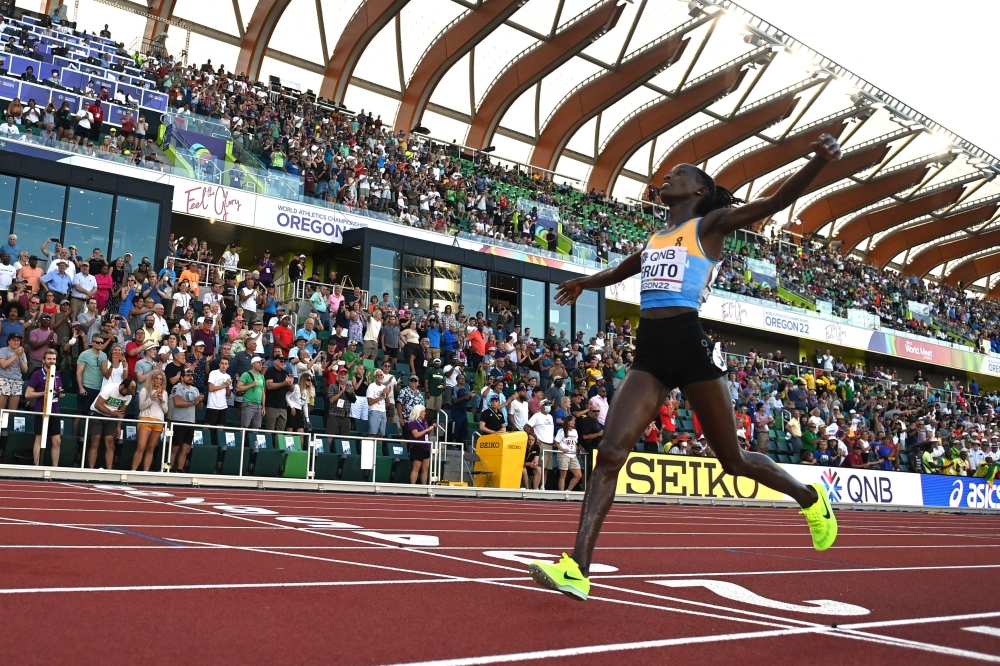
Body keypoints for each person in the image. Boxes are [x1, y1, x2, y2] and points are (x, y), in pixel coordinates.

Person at [529, 135, 844, 601]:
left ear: (698, 189)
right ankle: (578, 568)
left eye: (679, 173)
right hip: (651, 352)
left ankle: (810, 499)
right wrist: (584, 282)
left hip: (690, 348)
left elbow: (777, 200)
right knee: (611, 454)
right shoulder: (656, 239)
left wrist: (818, 161)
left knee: (733, 460)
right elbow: (621, 271)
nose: (668, 177)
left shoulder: (711, 224)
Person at [25, 349, 63, 466]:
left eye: (54, 359)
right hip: (41, 410)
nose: (52, 361)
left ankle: (54, 469)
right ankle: (37, 466)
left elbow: (60, 389)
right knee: (39, 439)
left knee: (57, 441)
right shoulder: (37, 374)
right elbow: (28, 394)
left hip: (55, 410)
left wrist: (61, 393)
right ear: (43, 360)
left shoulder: (57, 374)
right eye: (49, 359)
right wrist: (43, 393)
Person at [88, 377, 135, 469]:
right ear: (122, 386)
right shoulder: (109, 388)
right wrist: (111, 413)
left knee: (110, 443)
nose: (127, 394)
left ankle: (109, 470)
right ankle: (90, 469)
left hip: (112, 416)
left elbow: (121, 412)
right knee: (95, 441)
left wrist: (119, 426)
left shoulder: (129, 396)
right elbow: (98, 404)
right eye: (127, 391)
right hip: (97, 413)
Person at [134, 369, 168, 471]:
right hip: (145, 418)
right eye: (156, 378)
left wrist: (162, 401)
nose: (158, 381)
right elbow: (141, 407)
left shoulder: (164, 392)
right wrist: (152, 398)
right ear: (152, 379)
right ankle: (133, 471)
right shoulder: (144, 390)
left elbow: (166, 410)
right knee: (141, 447)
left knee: (151, 448)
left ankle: (146, 472)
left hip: (158, 421)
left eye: (160, 379)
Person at [263, 354, 292, 431]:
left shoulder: (285, 373)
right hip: (271, 405)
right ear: (275, 362)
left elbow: (291, 389)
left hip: (282, 405)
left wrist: (290, 382)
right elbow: (269, 386)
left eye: (284, 361)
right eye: (281, 361)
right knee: (270, 429)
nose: (283, 363)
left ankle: (277, 443)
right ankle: (269, 443)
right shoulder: (270, 371)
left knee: (281, 430)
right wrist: (283, 383)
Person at [406, 404, 434, 484]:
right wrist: (426, 430)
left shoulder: (425, 422)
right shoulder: (413, 422)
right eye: (423, 411)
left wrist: (431, 428)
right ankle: (413, 487)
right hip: (417, 446)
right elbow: (416, 434)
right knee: (416, 468)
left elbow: (427, 432)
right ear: (418, 412)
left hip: (426, 446)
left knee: (425, 469)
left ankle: (424, 487)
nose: (425, 413)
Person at [555, 414, 582, 491]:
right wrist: (562, 449)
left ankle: (568, 490)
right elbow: (556, 442)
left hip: (573, 455)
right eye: (571, 420)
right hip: (564, 454)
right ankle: (562, 492)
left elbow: (575, 443)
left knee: (578, 475)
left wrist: (577, 450)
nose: (573, 422)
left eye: (574, 421)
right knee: (563, 474)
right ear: (567, 421)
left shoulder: (575, 431)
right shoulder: (562, 431)